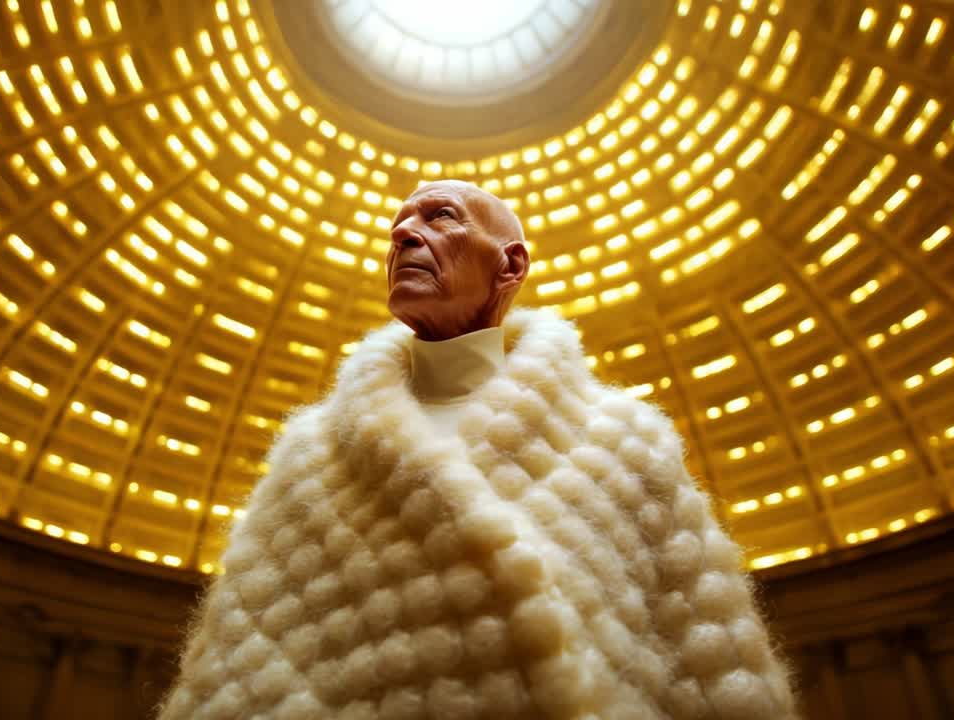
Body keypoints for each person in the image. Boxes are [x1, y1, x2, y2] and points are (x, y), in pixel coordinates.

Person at [157, 180, 798, 719]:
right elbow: (240, 661)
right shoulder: (309, 455)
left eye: (440, 217)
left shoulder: (625, 437)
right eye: (399, 226)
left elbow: (710, 654)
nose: (403, 235)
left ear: (510, 266)